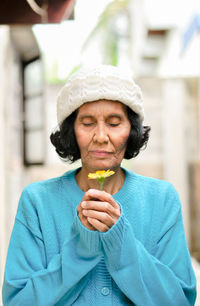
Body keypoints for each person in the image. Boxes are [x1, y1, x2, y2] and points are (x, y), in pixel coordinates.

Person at [2, 65, 196, 306]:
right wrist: (81, 246)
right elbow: (17, 302)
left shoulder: (162, 199)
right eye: (87, 123)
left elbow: (179, 301)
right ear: (71, 131)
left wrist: (120, 240)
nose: (101, 136)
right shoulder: (37, 201)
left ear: (131, 131)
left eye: (114, 123)